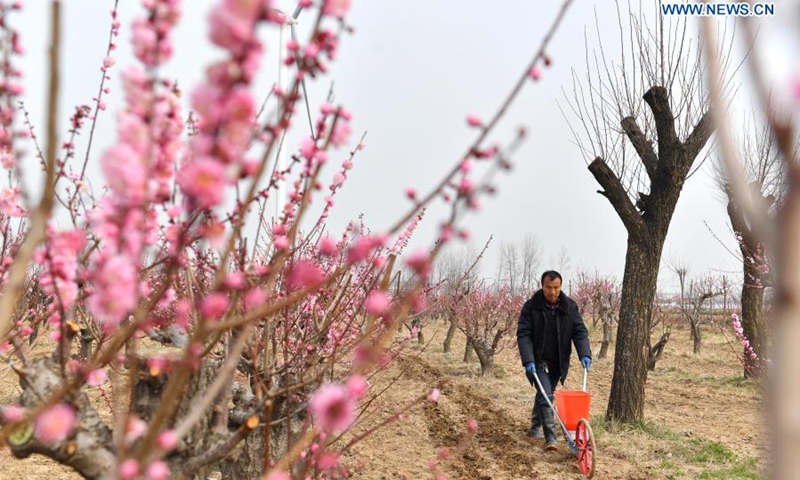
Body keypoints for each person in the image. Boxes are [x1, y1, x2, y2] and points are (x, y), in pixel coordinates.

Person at [517, 270, 592, 451]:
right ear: (542, 286)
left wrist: (585, 353)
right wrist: (528, 360)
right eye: (549, 288)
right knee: (546, 395)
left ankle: (535, 425)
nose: (552, 292)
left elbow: (579, 332)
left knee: (545, 393)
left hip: (558, 361)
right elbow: (524, 334)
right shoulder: (531, 307)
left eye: (556, 288)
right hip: (538, 360)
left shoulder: (569, 307)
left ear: (561, 286)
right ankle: (551, 438)